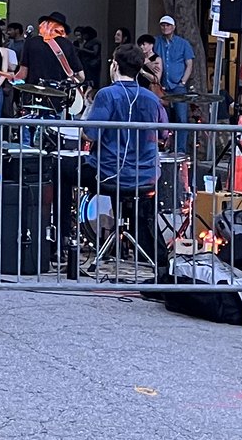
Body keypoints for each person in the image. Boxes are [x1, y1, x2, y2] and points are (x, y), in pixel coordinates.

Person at [80, 44, 168, 269]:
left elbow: (90, 133)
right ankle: (145, 249)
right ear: (139, 69)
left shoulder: (107, 94)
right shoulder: (151, 98)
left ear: (115, 65)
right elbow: (164, 134)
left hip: (110, 174)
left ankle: (63, 244)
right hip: (146, 176)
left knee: (60, 169)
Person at [152, 15, 195, 119]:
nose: (165, 27)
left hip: (178, 86)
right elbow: (145, 53)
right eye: (163, 25)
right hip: (161, 85)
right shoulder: (155, 41)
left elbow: (189, 64)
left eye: (168, 25)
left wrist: (183, 82)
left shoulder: (183, 43)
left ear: (173, 27)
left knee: (181, 118)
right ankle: (164, 136)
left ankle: (181, 136)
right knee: (161, 117)